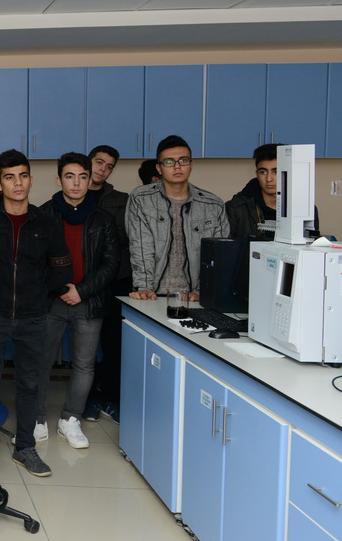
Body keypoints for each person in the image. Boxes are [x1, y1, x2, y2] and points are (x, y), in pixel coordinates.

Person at [0, 149, 72, 479]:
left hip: (34, 317)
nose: (17, 183)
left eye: (22, 176)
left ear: (30, 180)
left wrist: (38, 293)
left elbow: (62, 270)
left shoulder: (46, 223)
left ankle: (25, 447)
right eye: (9, 177)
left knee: (30, 383)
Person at [36, 153, 119, 449]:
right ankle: (36, 418)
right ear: (59, 180)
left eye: (83, 177)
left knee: (84, 365)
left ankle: (70, 418)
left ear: (90, 179)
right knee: (40, 362)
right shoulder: (43, 215)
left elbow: (111, 263)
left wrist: (81, 291)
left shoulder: (103, 218)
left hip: (89, 301)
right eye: (70, 177)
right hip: (51, 301)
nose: (76, 183)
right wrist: (61, 288)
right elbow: (35, 261)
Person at [127, 135, 229, 301]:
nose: (177, 166)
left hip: (194, 296)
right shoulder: (141, 199)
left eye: (183, 160)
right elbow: (140, 246)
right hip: (153, 294)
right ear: (159, 168)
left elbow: (218, 255)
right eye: (169, 162)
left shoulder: (213, 204)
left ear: (191, 165)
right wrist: (144, 287)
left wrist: (202, 290)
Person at [84, 145, 130, 423]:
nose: (102, 168)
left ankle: (112, 398)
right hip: (83, 282)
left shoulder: (122, 200)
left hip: (117, 280)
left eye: (109, 165)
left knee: (114, 344)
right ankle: (88, 399)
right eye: (99, 162)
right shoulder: (73, 193)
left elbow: (128, 239)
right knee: (85, 347)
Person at [226, 143, 278, 240]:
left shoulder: (303, 207)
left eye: (276, 172)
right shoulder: (236, 208)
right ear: (257, 174)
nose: (269, 179)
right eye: (263, 172)